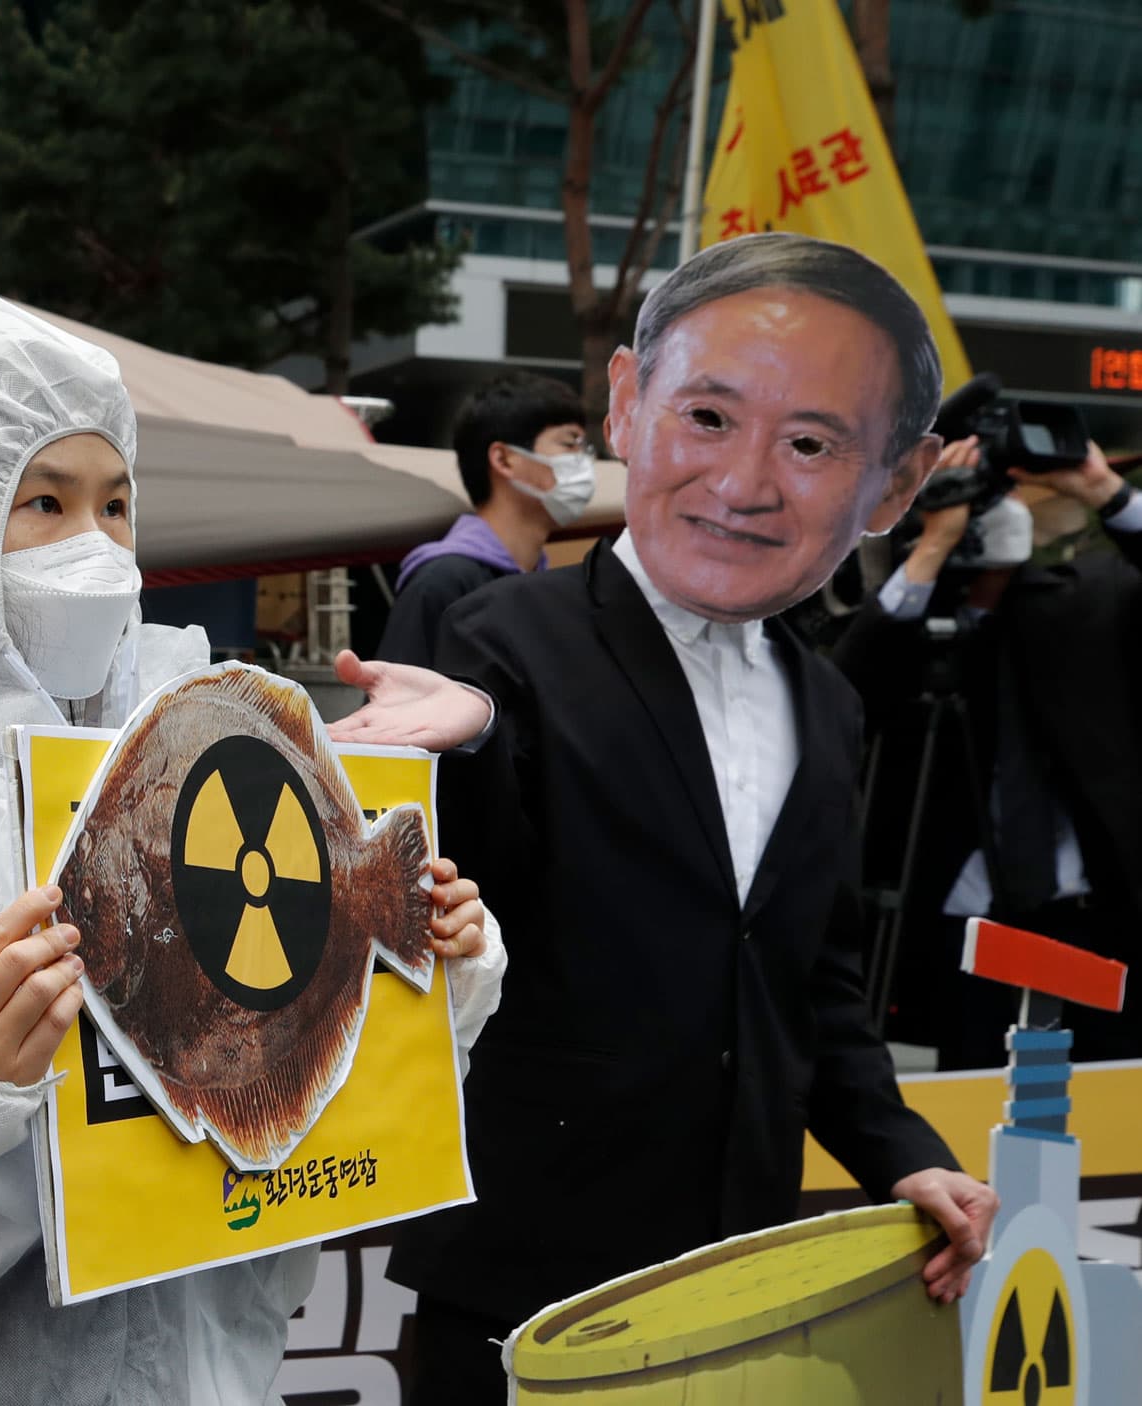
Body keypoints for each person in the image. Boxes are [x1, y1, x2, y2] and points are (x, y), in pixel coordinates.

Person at [0, 292, 507, 1404]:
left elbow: (294, 1145)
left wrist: (420, 988)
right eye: (45, 501)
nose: (94, 544)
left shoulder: (203, 759)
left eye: (117, 503)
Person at [387, 233, 999, 1403]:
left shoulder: (827, 703)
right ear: (626, 403)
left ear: (894, 485)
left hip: (739, 1288)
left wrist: (904, 1156)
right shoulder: (500, 643)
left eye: (810, 443)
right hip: (525, 1287)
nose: (744, 482)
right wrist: (464, 739)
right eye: (709, 417)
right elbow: (452, 903)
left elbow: (813, 986)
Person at [835, 436, 1142, 1067]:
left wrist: (1103, 492)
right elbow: (845, 696)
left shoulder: (1091, 597)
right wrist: (932, 545)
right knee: (978, 1108)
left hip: (1098, 918)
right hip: (965, 928)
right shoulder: (918, 628)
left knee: (1108, 1110)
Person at [374, 374, 593, 669]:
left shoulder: (547, 586)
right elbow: (393, 692)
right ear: (503, 459)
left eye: (584, 447)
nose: (584, 462)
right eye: (569, 443)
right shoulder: (442, 581)